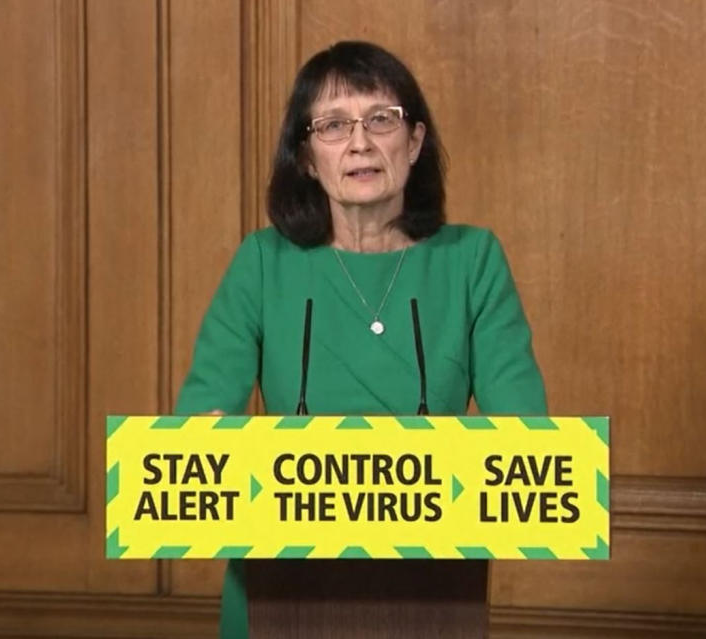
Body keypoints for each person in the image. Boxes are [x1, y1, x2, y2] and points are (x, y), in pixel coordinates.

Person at [175, 40, 546, 639]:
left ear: (416, 141)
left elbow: (528, 443)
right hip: (276, 595)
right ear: (305, 157)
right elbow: (199, 423)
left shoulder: (473, 260)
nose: (360, 142)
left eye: (382, 119)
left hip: (431, 599)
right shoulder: (262, 263)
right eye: (332, 125)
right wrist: (207, 435)